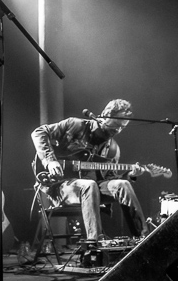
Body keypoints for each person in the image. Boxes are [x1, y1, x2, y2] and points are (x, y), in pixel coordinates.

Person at [31, 99, 152, 243]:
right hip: (61, 186)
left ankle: (144, 239)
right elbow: (39, 132)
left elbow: (110, 178)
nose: (118, 130)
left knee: (123, 185)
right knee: (89, 185)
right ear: (105, 115)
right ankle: (95, 243)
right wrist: (50, 161)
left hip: (93, 190)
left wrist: (130, 175)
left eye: (122, 127)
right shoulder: (76, 125)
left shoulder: (113, 149)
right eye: (116, 124)